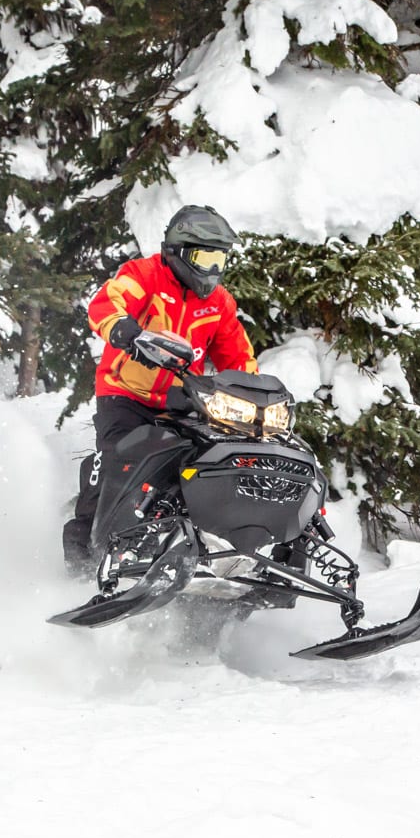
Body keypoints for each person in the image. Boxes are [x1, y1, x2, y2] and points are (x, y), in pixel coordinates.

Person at [62, 204, 258, 572]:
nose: (213, 270)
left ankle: (212, 546)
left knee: (210, 462)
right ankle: (87, 555)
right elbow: (107, 302)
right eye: (206, 258)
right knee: (118, 460)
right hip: (125, 395)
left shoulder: (218, 302)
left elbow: (239, 356)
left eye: (221, 260)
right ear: (180, 251)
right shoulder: (145, 275)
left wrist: (251, 389)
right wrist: (125, 330)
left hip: (184, 401)